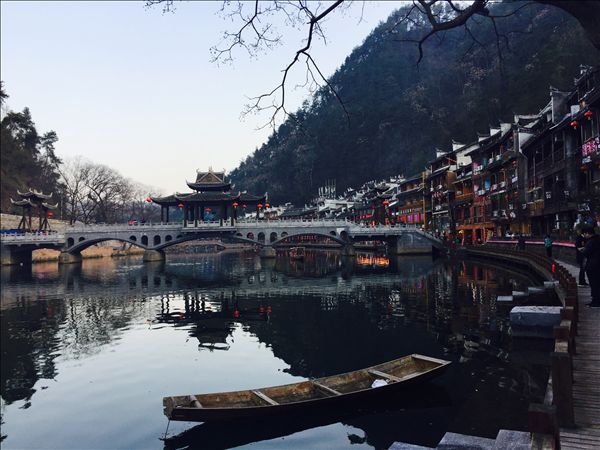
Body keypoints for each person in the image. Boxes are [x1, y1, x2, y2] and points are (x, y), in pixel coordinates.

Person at [578, 225, 600, 307]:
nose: (584, 235)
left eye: (584, 234)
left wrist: (582, 250)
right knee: (597, 283)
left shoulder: (591, 241)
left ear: (587, 233)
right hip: (597, 264)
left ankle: (596, 302)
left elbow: (586, 252)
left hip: (592, 265)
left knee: (594, 284)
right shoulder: (598, 239)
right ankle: (596, 300)